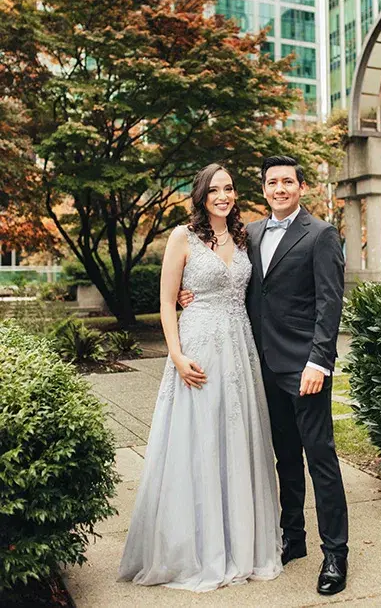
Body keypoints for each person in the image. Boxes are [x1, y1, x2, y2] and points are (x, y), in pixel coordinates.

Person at [179, 155, 348, 596]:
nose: (279, 189)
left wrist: (320, 361)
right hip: (259, 366)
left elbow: (330, 304)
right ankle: (294, 538)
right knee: (285, 460)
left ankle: (336, 555)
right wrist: (187, 296)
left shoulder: (322, 234)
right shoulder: (248, 233)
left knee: (321, 461)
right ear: (264, 189)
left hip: (305, 368)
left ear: (302, 187)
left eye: (287, 181)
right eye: (272, 182)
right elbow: (231, 283)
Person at [118, 163, 282, 592]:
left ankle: (238, 542)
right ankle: (194, 547)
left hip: (239, 350)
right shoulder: (181, 237)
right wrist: (175, 354)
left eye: (228, 189)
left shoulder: (246, 237)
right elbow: (167, 301)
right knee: (198, 441)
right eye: (214, 190)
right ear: (201, 195)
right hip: (198, 348)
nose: (223, 196)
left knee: (237, 441)